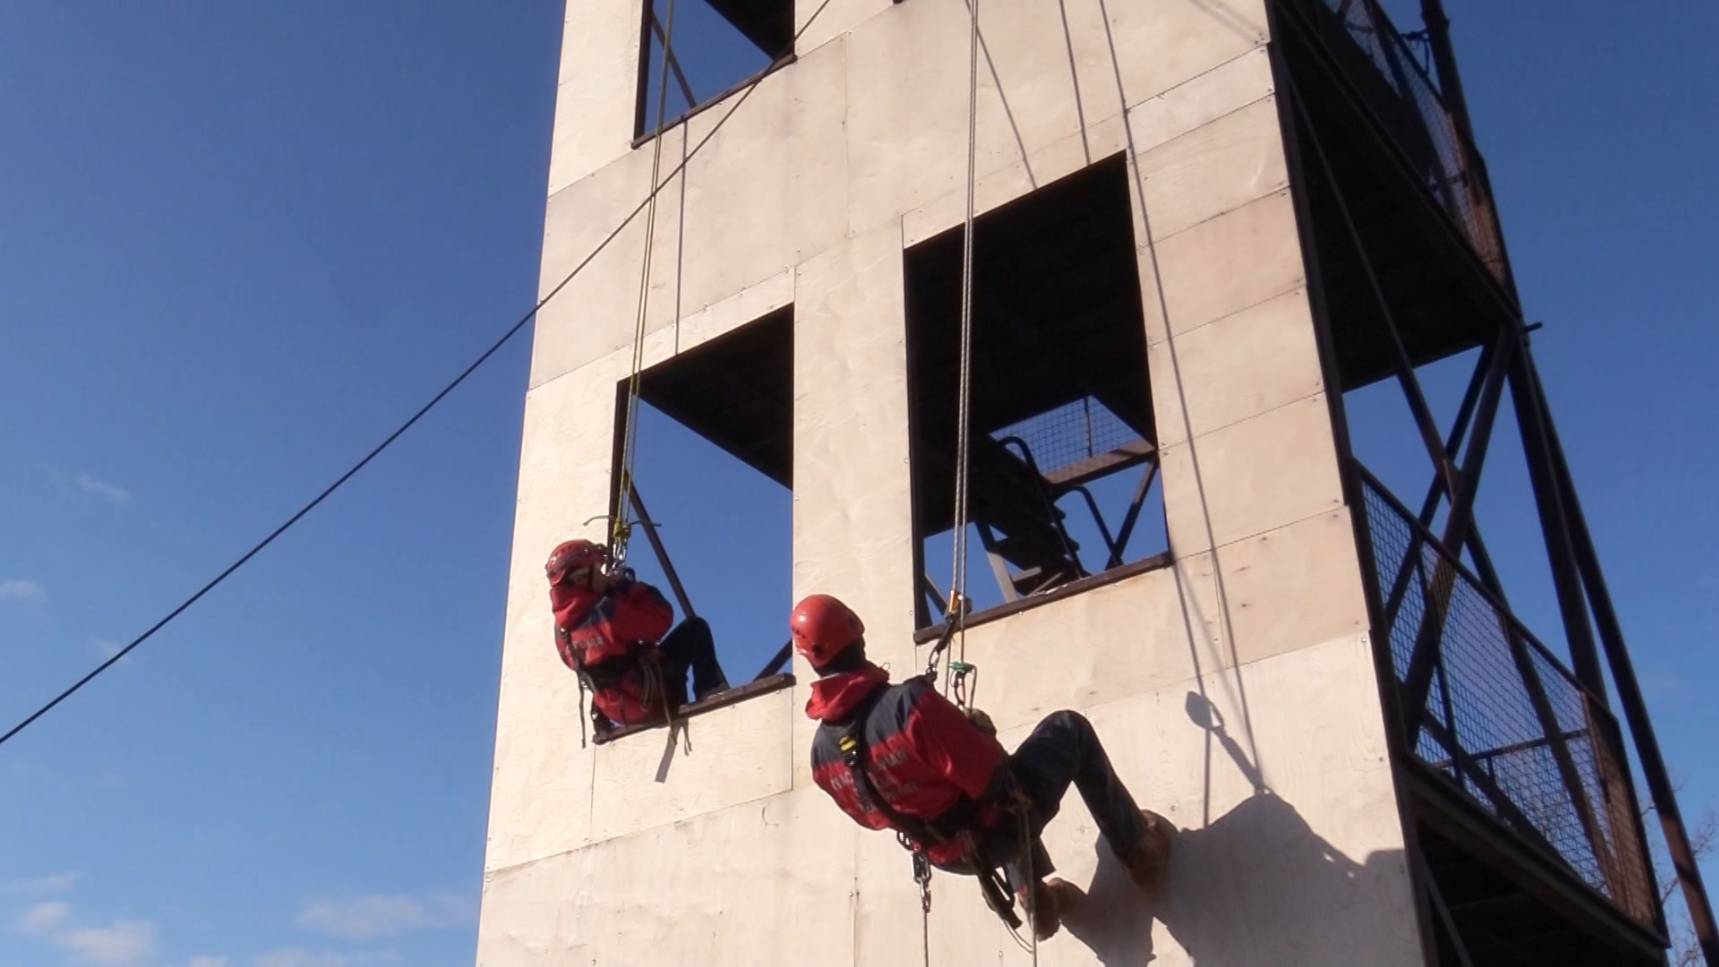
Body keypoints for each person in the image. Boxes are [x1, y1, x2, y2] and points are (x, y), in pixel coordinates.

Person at [792, 592, 1172, 940]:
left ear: (810, 658)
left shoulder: (822, 756)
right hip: (995, 829)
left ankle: (1035, 899)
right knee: (1061, 735)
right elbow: (989, 774)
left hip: (949, 856)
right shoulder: (908, 705)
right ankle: (1139, 849)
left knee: (973, 797)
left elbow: (873, 819)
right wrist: (976, 729)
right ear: (857, 629)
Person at [546, 539, 729, 734]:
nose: (603, 576)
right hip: (649, 700)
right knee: (695, 629)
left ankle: (601, 721)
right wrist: (625, 587)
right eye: (597, 571)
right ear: (582, 578)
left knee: (598, 671)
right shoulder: (607, 612)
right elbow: (661, 618)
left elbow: (591, 658)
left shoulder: (562, 631)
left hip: (618, 710)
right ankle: (711, 693)